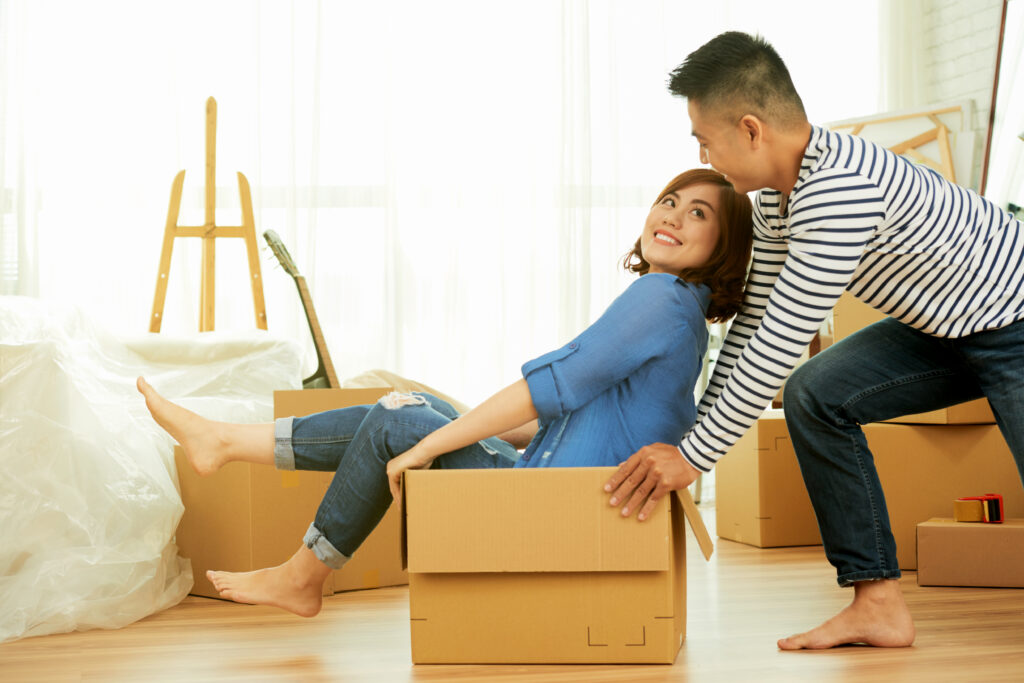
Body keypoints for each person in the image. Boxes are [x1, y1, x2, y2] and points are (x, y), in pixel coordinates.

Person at [138, 168, 753, 618]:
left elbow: (546, 391)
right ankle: (224, 442)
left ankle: (303, 574)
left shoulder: (659, 299)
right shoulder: (682, 316)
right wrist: (443, 420)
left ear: (724, 249)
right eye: (669, 200)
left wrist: (424, 444)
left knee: (397, 421)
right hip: (559, 487)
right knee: (410, 408)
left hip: (553, 503)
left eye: (699, 213)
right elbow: (565, 416)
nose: (673, 215)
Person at [604, 31, 1024, 651]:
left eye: (705, 140)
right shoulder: (779, 198)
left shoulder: (838, 193)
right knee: (816, 394)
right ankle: (877, 604)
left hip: (1014, 319)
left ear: (750, 130)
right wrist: (691, 434)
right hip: (946, 327)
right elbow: (754, 323)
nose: (704, 156)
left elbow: (778, 343)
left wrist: (693, 457)